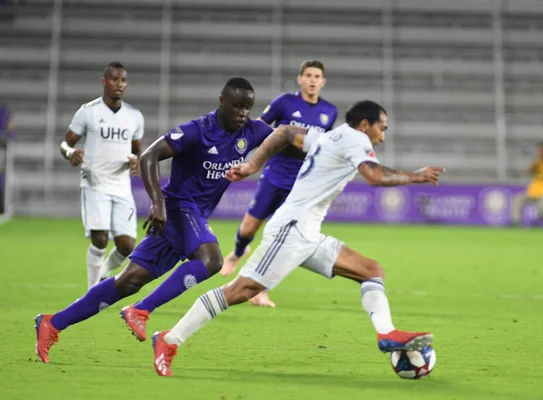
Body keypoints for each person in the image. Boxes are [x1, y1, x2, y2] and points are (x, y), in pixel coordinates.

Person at [151, 100, 445, 377]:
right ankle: (169, 338)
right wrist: (417, 176)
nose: (382, 136)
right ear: (365, 124)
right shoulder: (357, 140)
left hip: (307, 233)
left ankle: (386, 334)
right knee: (241, 290)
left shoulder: (331, 137)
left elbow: (285, 132)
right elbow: (374, 176)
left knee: (371, 270)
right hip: (291, 230)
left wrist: (254, 165)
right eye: (382, 128)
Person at [34, 77, 274, 363]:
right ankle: (142, 309)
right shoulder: (196, 131)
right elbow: (149, 156)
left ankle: (52, 323)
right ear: (222, 101)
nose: (243, 114)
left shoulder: (250, 131)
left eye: (248, 108)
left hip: (187, 219)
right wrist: (157, 202)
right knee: (212, 261)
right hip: (176, 207)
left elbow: (282, 136)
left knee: (128, 281)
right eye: (237, 106)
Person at [220, 60, 337, 308]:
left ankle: (259, 290)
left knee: (278, 237)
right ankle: (239, 252)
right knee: (248, 228)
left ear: (323, 81)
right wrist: (244, 154)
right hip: (274, 174)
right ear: (300, 79)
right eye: (309, 75)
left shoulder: (330, 112)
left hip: (302, 184)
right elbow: (259, 126)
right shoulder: (285, 102)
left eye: (317, 76)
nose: (313, 80)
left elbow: (326, 147)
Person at [59, 61, 144, 289]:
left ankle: (103, 275)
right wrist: (70, 153)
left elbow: (137, 149)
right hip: (95, 182)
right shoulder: (88, 112)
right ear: (104, 82)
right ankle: (91, 293)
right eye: (115, 79)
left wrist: (137, 161)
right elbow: (66, 144)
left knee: (127, 246)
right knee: (100, 239)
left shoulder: (134, 116)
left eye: (123, 80)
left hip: (121, 185)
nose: (119, 84)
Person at [510, 142, 543, 226]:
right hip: (534, 192)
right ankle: (516, 222)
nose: (542, 152)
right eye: (540, 150)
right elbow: (528, 171)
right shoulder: (537, 162)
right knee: (517, 199)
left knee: (541, 207)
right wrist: (535, 162)